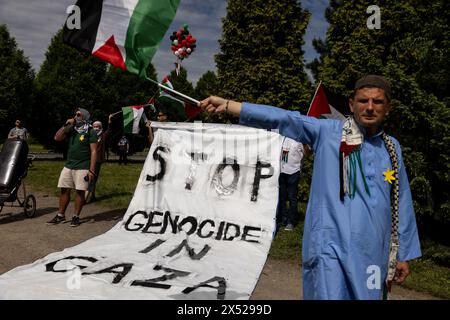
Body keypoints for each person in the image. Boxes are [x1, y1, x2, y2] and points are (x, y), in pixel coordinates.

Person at [199, 75, 421, 300]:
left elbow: (401, 201)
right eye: (363, 101)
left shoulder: (392, 147)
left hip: (372, 253)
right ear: (352, 105)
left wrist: (402, 254)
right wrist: (229, 105)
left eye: (378, 102)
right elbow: (284, 118)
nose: (370, 107)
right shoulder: (327, 132)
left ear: (388, 108)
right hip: (329, 249)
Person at [47, 107, 97, 227]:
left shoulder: (90, 131)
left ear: (84, 117)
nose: (76, 116)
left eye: (79, 115)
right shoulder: (72, 128)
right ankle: (60, 215)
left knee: (80, 192)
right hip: (69, 165)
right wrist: (66, 125)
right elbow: (57, 138)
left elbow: (94, 151)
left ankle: (76, 216)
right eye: (75, 114)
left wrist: (91, 170)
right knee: (64, 189)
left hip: (83, 166)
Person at [277, 137, 304, 231]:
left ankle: (291, 221)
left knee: (292, 197)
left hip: (293, 172)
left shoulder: (299, 140)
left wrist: (300, 166)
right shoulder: (282, 138)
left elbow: (305, 153)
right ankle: (283, 218)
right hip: (282, 171)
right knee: (282, 197)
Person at [86, 117, 113, 202]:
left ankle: (88, 196)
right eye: (94, 126)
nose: (95, 128)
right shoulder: (89, 135)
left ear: (100, 127)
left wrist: (109, 121)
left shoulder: (103, 136)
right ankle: (88, 195)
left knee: (93, 178)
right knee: (87, 178)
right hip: (88, 159)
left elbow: (109, 130)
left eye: (97, 126)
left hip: (97, 160)